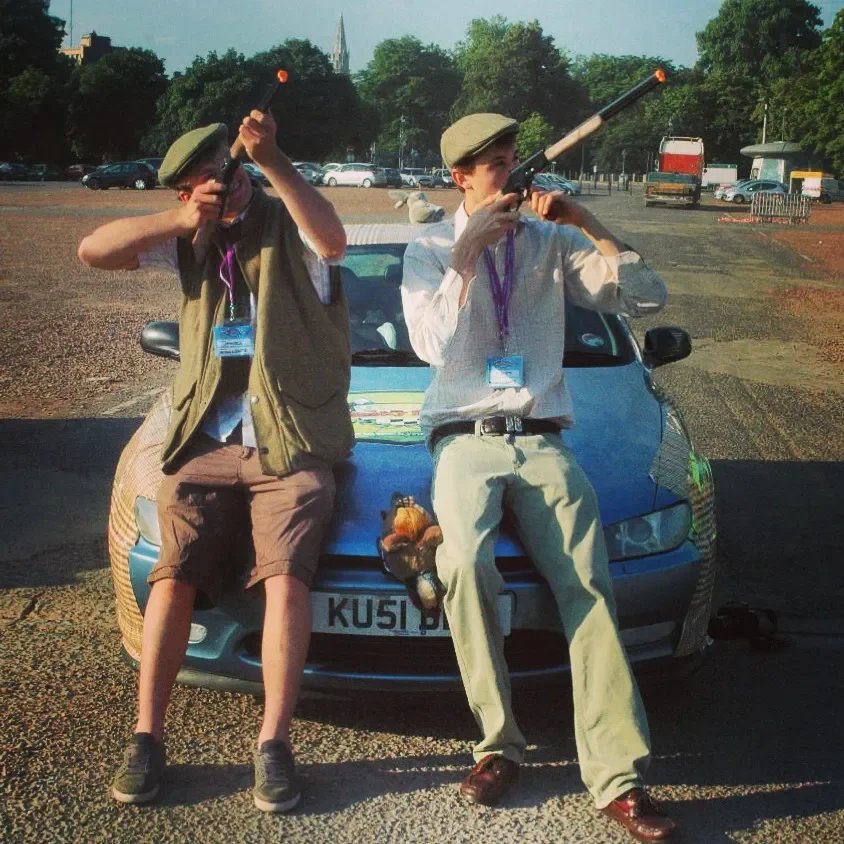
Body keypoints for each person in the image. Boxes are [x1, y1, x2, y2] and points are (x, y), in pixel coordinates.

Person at [400, 113, 677, 842]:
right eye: (493, 165)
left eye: (513, 160)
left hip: (543, 436)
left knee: (588, 584)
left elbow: (646, 298)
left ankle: (617, 778)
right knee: (460, 564)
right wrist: (466, 253)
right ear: (460, 177)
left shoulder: (552, 241)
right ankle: (498, 744)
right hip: (464, 437)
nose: (510, 175)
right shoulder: (429, 246)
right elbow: (428, 343)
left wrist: (584, 219)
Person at [78, 110, 353, 812]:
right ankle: (146, 736)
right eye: (202, 184)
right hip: (206, 439)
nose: (220, 192)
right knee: (172, 574)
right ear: (186, 191)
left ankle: (273, 744)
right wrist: (177, 222)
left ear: (244, 175)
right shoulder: (190, 241)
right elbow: (93, 250)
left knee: (286, 579)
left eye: (225, 177)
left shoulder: (288, 224)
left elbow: (334, 238)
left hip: (288, 440)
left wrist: (276, 162)